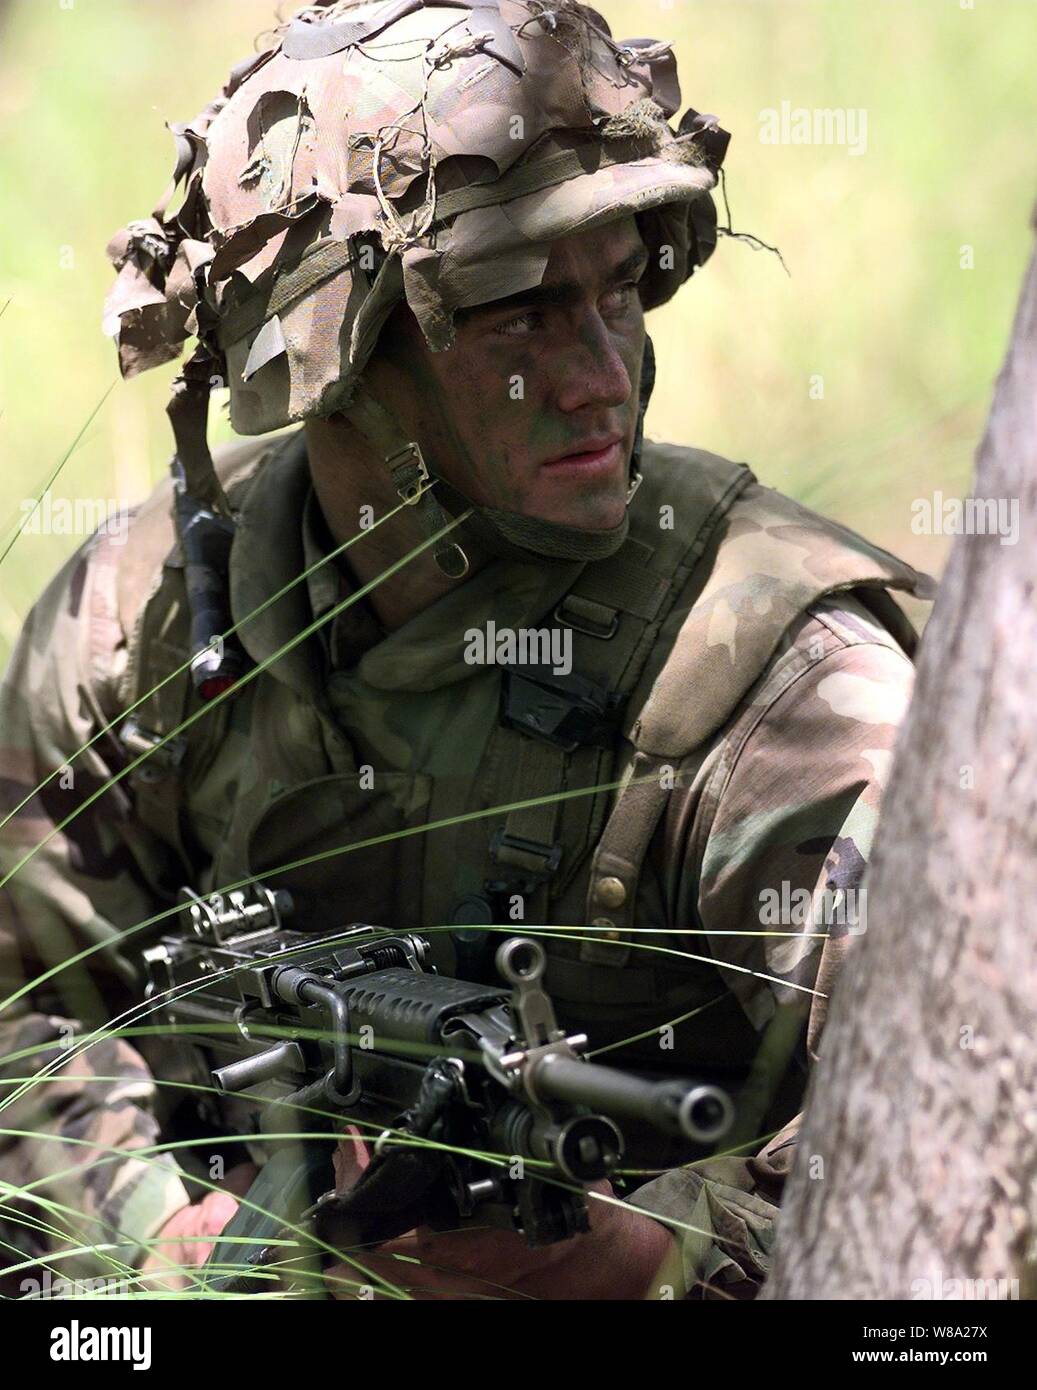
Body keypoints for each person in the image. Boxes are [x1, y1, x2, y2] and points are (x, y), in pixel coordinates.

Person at [0, 0, 931, 1300]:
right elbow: (28, 1004)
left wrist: (653, 1262)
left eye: (620, 292)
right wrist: (163, 1241)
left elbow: (958, 1152)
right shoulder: (141, 620)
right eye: (516, 318)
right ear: (334, 356)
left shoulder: (781, 683)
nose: (600, 375)